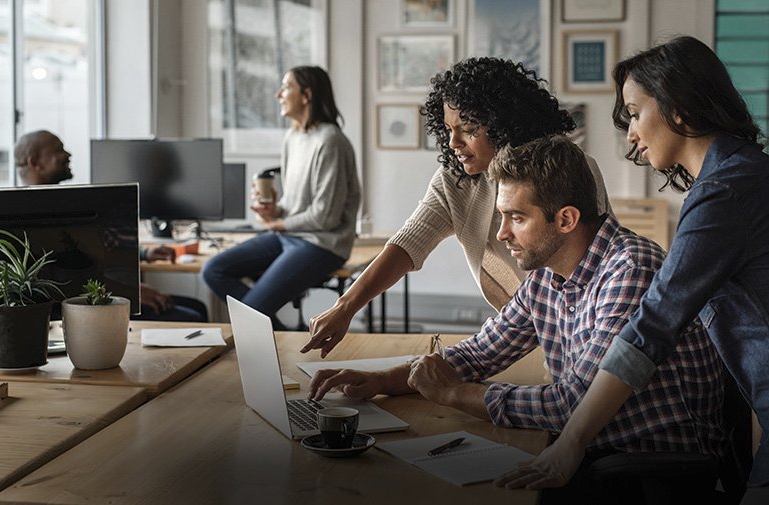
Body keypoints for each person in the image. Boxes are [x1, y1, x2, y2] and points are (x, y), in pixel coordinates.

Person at [308, 135, 727, 503]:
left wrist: (455, 396)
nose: (503, 233)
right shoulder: (549, 272)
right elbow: (481, 352)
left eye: (517, 218)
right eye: (502, 216)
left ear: (565, 219)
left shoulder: (630, 270)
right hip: (593, 452)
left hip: (647, 469)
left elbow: (571, 406)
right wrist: (385, 380)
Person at [496, 36, 769, 505]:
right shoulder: (738, 176)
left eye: (636, 112)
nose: (631, 135)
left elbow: (654, 324)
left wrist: (572, 441)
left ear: (678, 108)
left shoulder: (726, 191)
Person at [302, 57, 611, 358]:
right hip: (519, 329)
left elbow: (590, 268)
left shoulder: (566, 169)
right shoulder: (456, 179)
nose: (453, 142)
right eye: (449, 129)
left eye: (468, 128)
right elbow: (409, 242)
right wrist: (345, 307)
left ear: (505, 123)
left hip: (581, 326)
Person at [201, 66, 360, 330]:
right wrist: (275, 210)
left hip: (322, 244)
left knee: (251, 312)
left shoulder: (331, 141)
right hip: (290, 236)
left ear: (307, 95)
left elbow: (326, 216)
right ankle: (279, 335)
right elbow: (295, 205)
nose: (278, 94)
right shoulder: (293, 137)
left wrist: (279, 224)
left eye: (286, 87)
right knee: (213, 270)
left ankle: (266, 333)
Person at [14, 131, 207, 323]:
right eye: (58, 150)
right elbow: (67, 280)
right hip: (88, 306)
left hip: (107, 292)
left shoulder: (60, 204)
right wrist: (130, 293)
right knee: (193, 316)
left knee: (197, 307)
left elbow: (94, 250)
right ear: (35, 163)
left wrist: (145, 254)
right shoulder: (32, 216)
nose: (68, 155)